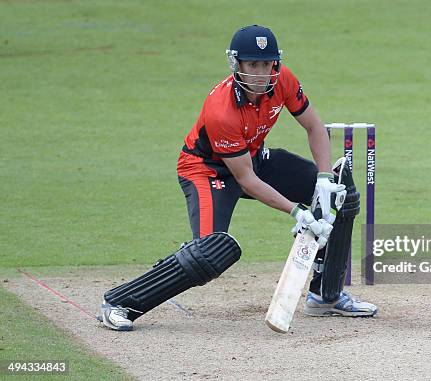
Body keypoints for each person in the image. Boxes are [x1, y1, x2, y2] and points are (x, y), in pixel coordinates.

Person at [99, 25, 378, 331]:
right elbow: (245, 180)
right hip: (206, 170)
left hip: (252, 157)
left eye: (267, 64)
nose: (261, 73)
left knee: (340, 194)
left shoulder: (283, 79)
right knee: (209, 255)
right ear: (237, 64)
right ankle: (121, 301)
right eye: (252, 64)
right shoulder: (222, 110)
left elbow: (314, 127)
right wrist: (297, 211)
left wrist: (324, 179)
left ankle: (326, 295)